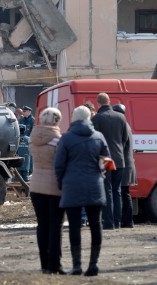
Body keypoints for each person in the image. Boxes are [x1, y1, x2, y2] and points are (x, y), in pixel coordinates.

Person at [55, 106, 110, 276]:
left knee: (74, 227)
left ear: (73, 118)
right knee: (95, 225)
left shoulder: (66, 138)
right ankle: (94, 264)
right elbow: (107, 161)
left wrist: (61, 183)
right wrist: (101, 175)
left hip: (72, 186)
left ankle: (77, 265)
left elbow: (59, 165)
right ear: (89, 118)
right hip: (95, 185)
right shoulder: (99, 137)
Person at [29, 107, 66, 275]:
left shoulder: (33, 138)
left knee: (42, 225)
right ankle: (55, 264)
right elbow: (62, 164)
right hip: (54, 187)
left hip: (36, 186)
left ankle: (44, 264)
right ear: (57, 121)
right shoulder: (58, 141)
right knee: (55, 226)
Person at [91, 92, 128, 230]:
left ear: (98, 103)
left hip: (105, 158)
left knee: (107, 190)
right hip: (119, 158)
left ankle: (108, 222)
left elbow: (94, 141)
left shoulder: (97, 119)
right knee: (117, 190)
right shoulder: (121, 117)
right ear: (109, 101)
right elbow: (124, 139)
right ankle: (117, 221)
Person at [112, 103, 137, 229]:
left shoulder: (123, 126)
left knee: (123, 193)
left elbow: (121, 146)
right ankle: (128, 221)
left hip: (125, 165)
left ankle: (126, 220)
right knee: (125, 192)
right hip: (128, 164)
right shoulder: (126, 125)